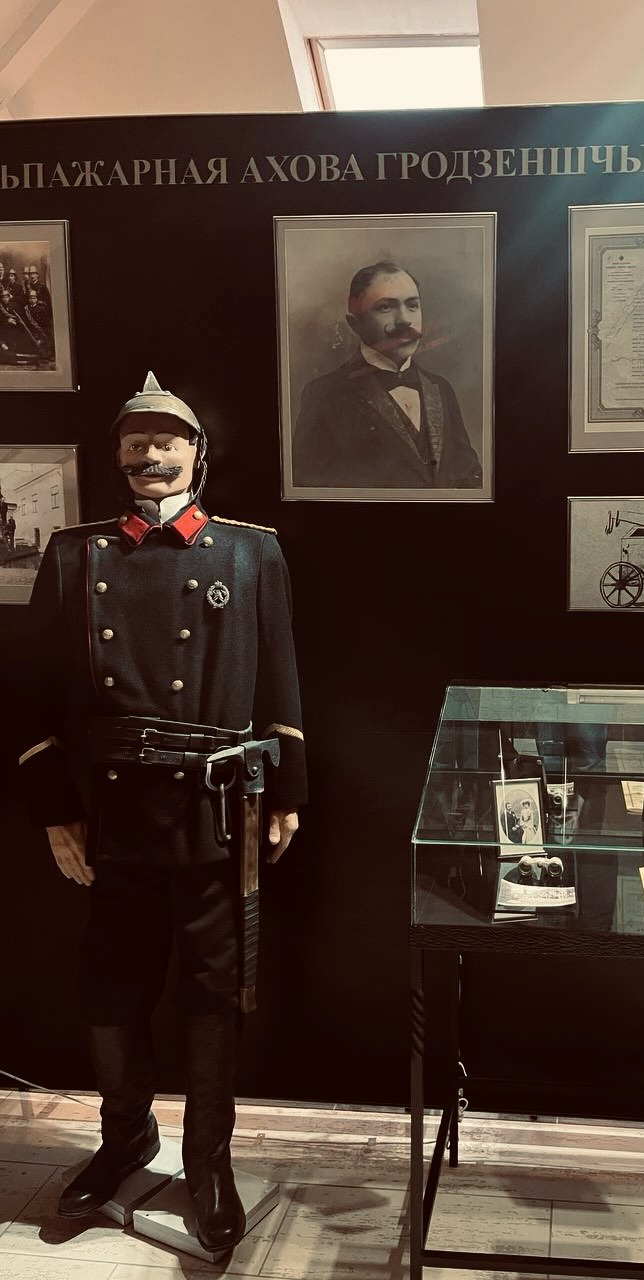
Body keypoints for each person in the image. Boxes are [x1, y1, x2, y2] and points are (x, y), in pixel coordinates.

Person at [17, 372, 307, 1253]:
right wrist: (53, 808)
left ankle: (208, 1161)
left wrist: (288, 790)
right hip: (112, 812)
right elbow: (34, 695)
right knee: (111, 985)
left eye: (166, 439)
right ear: (118, 456)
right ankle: (125, 1141)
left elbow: (281, 676)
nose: (150, 454)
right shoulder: (75, 555)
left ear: (197, 453)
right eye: (135, 441)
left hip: (214, 811)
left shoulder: (250, 553)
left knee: (214, 989)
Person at [292, 261, 482, 489]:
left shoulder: (440, 388)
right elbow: (310, 490)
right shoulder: (324, 394)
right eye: (385, 307)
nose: (404, 319)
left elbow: (469, 478)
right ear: (355, 323)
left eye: (412, 305)